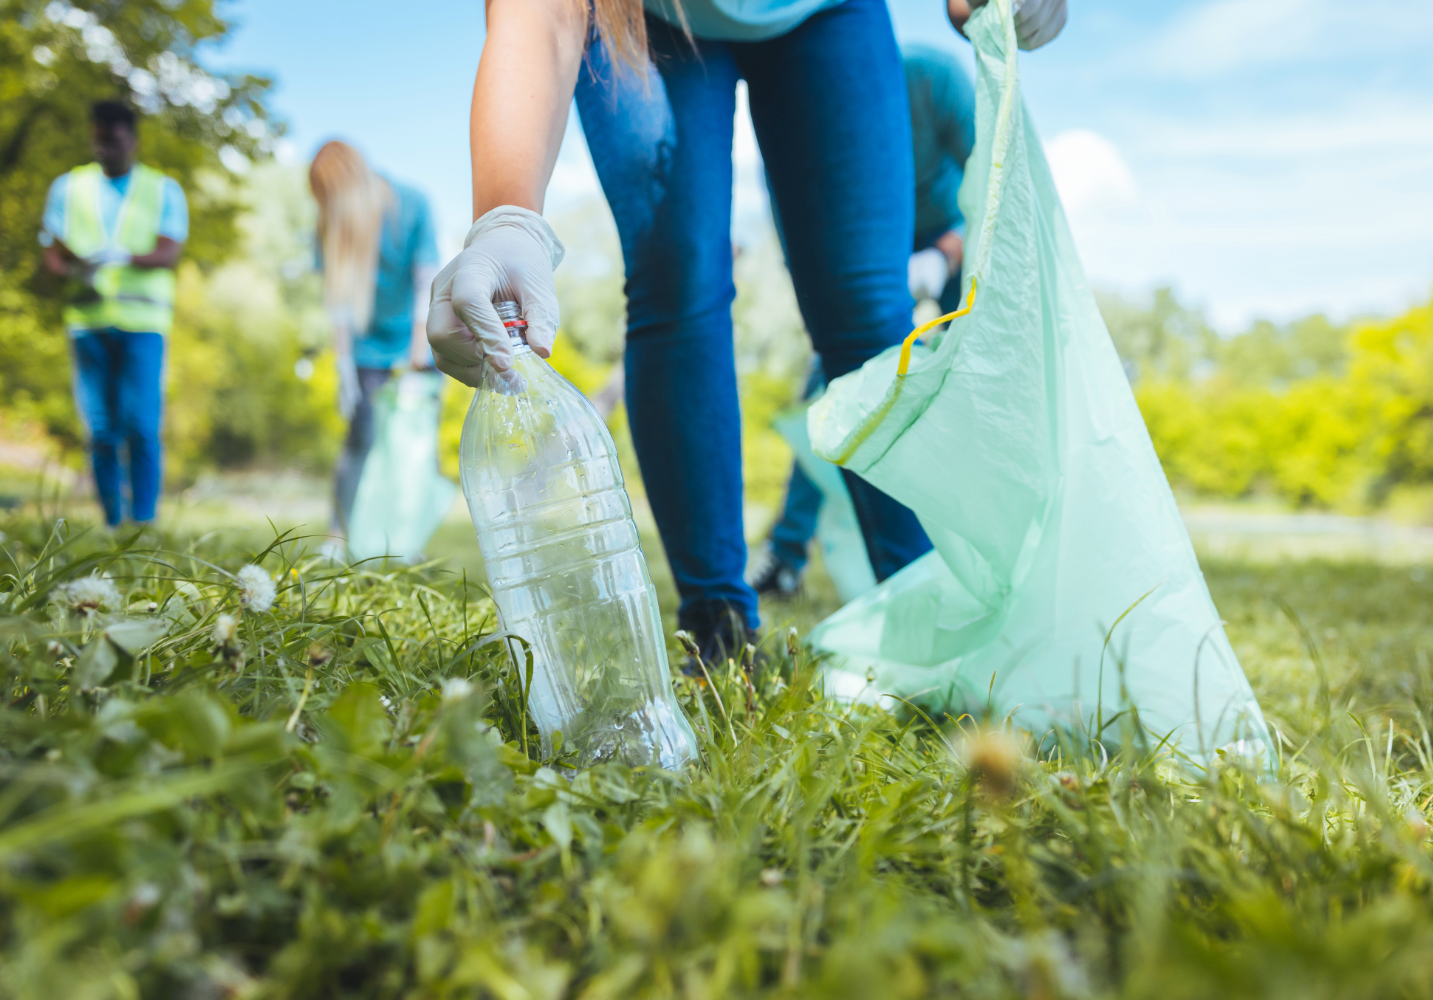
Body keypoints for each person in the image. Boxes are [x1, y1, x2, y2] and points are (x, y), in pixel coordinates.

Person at [427, 0, 1066, 661]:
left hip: (825, 13)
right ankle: (720, 625)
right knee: (677, 277)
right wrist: (506, 218)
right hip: (650, 19)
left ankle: (936, 613)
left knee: (867, 312)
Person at [750, 43, 977, 597]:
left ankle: (982, 540)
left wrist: (944, 254)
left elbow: (999, 188)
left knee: (978, 371)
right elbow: (803, 249)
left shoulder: (932, 80)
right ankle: (786, 553)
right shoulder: (796, 129)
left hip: (959, 242)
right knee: (834, 379)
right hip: (873, 249)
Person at [41, 100, 187, 528]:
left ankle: (143, 521)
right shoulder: (68, 188)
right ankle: (111, 519)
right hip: (87, 323)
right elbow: (51, 253)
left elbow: (169, 251)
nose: (107, 148)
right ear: (93, 137)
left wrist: (123, 256)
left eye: (116, 140)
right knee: (101, 428)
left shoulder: (162, 189)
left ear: (133, 140)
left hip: (144, 326)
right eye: (100, 139)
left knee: (141, 424)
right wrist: (73, 269)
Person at [308, 141, 440, 546]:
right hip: (367, 349)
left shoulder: (412, 204)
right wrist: (344, 365)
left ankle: (404, 540)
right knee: (361, 438)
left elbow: (426, 282)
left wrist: (417, 354)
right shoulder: (329, 224)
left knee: (413, 449)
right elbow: (339, 305)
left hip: (415, 343)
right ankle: (339, 535)